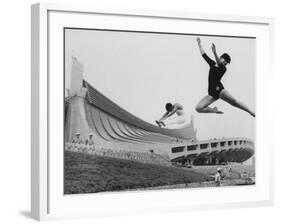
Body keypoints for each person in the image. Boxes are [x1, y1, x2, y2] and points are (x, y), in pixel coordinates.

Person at [196, 37, 255, 117]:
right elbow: (204, 55)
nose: (225, 63)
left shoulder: (223, 68)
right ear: (221, 58)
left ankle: (250, 111)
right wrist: (199, 44)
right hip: (211, 93)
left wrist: (214, 52)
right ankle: (214, 110)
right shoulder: (212, 64)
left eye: (226, 63)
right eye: (225, 61)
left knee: (234, 102)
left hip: (219, 90)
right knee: (198, 108)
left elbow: (219, 63)